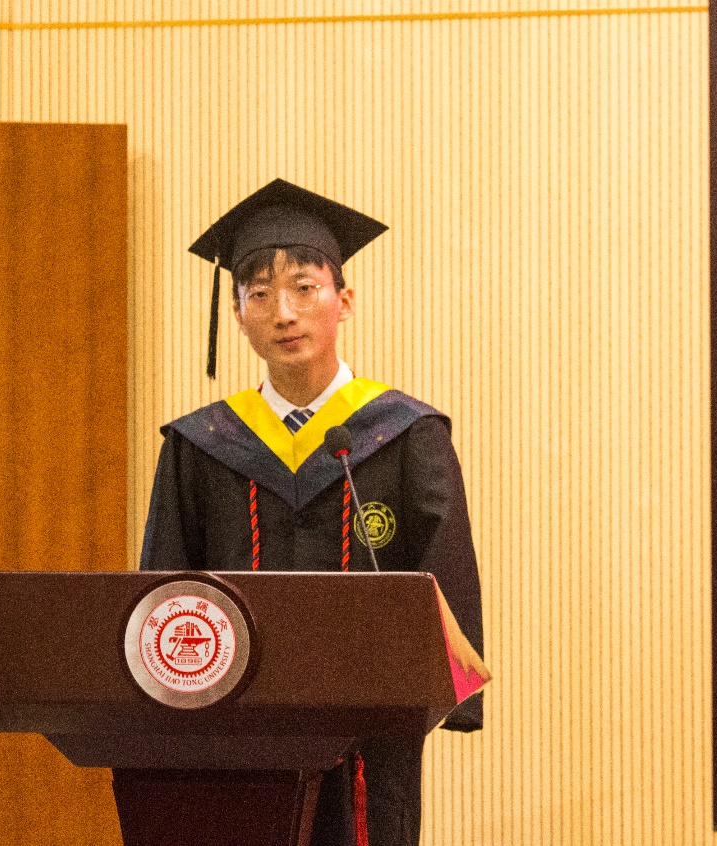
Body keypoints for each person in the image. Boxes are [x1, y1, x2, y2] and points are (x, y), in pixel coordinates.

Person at [139, 179, 484, 846]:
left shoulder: (404, 434)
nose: (284, 313)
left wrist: (444, 691)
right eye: (259, 295)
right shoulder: (201, 444)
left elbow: (446, 573)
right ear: (236, 314)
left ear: (343, 301)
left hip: (369, 733)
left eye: (304, 287)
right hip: (229, 731)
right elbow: (165, 584)